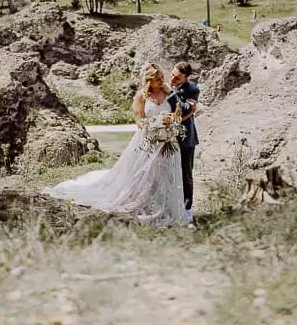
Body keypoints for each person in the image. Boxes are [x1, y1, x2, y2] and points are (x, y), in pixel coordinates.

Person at [45, 63, 189, 227]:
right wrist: (155, 131)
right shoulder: (141, 96)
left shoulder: (167, 92)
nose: (162, 81)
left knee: (165, 175)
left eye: (162, 77)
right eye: (158, 79)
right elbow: (140, 121)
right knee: (142, 174)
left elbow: (176, 112)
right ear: (149, 81)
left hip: (167, 141)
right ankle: (141, 202)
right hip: (148, 140)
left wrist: (170, 127)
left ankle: (165, 207)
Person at [167, 62, 200, 225]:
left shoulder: (192, 89)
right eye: (172, 74)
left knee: (185, 173)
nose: (172, 78)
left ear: (186, 78)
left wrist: (171, 93)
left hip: (185, 138)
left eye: (177, 77)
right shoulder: (164, 86)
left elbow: (186, 108)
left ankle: (187, 210)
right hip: (165, 137)